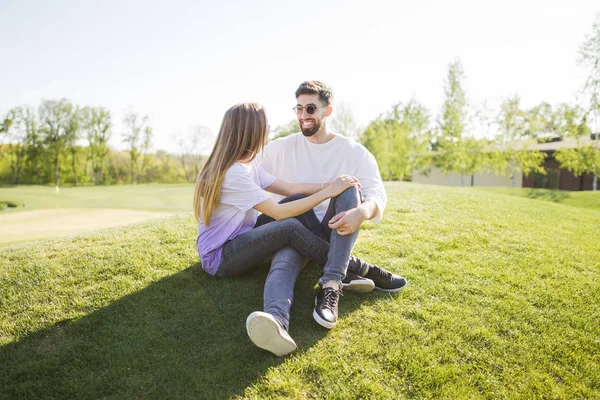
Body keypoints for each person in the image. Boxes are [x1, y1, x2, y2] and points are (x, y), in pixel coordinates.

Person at [193, 102, 363, 356]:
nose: (270, 128)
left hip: (244, 239)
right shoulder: (234, 173)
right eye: (265, 124)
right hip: (221, 257)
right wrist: (328, 192)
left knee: (291, 236)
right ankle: (354, 269)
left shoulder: (248, 165)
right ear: (251, 130)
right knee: (290, 228)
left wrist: (330, 184)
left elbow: (290, 190)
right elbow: (279, 213)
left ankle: (277, 323)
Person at [256, 81, 407, 351]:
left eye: (310, 108)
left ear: (328, 111)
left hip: (331, 230)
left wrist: (362, 212)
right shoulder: (280, 148)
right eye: (299, 108)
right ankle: (278, 321)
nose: (303, 115)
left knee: (349, 187)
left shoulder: (353, 152)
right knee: (285, 254)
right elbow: (248, 174)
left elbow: (376, 193)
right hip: (290, 228)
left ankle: (331, 284)